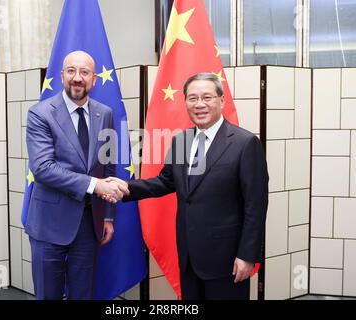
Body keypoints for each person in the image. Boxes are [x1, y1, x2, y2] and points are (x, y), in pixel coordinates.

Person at [110, 72, 268, 300]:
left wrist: (247, 255)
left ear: (221, 100)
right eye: (192, 98)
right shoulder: (181, 140)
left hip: (227, 260)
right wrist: (125, 188)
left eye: (207, 97)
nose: (199, 104)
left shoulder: (245, 143)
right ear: (185, 102)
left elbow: (256, 205)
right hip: (188, 258)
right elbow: (166, 182)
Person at [25, 50, 129, 300]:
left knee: (83, 294)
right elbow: (42, 168)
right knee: (48, 295)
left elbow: (109, 166)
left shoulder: (104, 113)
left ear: (94, 79)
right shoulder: (40, 113)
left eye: (84, 72)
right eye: (71, 71)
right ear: (62, 76)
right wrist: (95, 185)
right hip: (49, 224)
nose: (77, 78)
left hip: (88, 223)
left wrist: (108, 217)